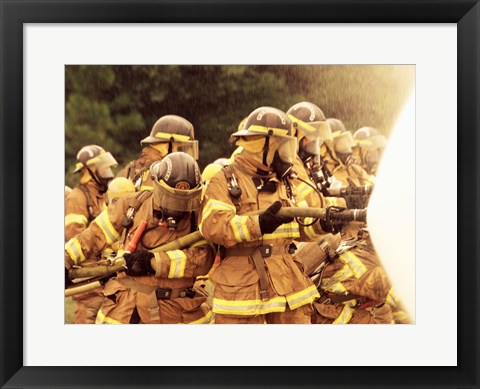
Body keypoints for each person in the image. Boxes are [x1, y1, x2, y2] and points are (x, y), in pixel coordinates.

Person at [199, 106, 329, 324]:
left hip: (287, 286)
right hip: (242, 292)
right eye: (283, 147)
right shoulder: (225, 180)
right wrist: (258, 224)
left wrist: (324, 224)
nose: (289, 156)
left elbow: (299, 227)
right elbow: (213, 227)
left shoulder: (283, 181)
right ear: (264, 146)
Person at [65, 152, 215, 324]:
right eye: (171, 198)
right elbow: (94, 235)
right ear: (157, 186)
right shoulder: (133, 206)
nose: (178, 208)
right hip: (125, 310)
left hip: (176, 311)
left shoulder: (199, 215)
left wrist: (152, 262)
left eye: (185, 201)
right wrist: (65, 259)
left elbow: (202, 259)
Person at [64, 145, 118, 324]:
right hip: (87, 284)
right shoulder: (77, 198)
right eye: (102, 167)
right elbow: (75, 238)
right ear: (89, 171)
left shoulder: (103, 197)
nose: (106, 171)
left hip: (105, 278)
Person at [116, 115, 199, 191]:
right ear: (167, 147)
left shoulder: (137, 167)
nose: (184, 156)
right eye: (181, 148)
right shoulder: (156, 172)